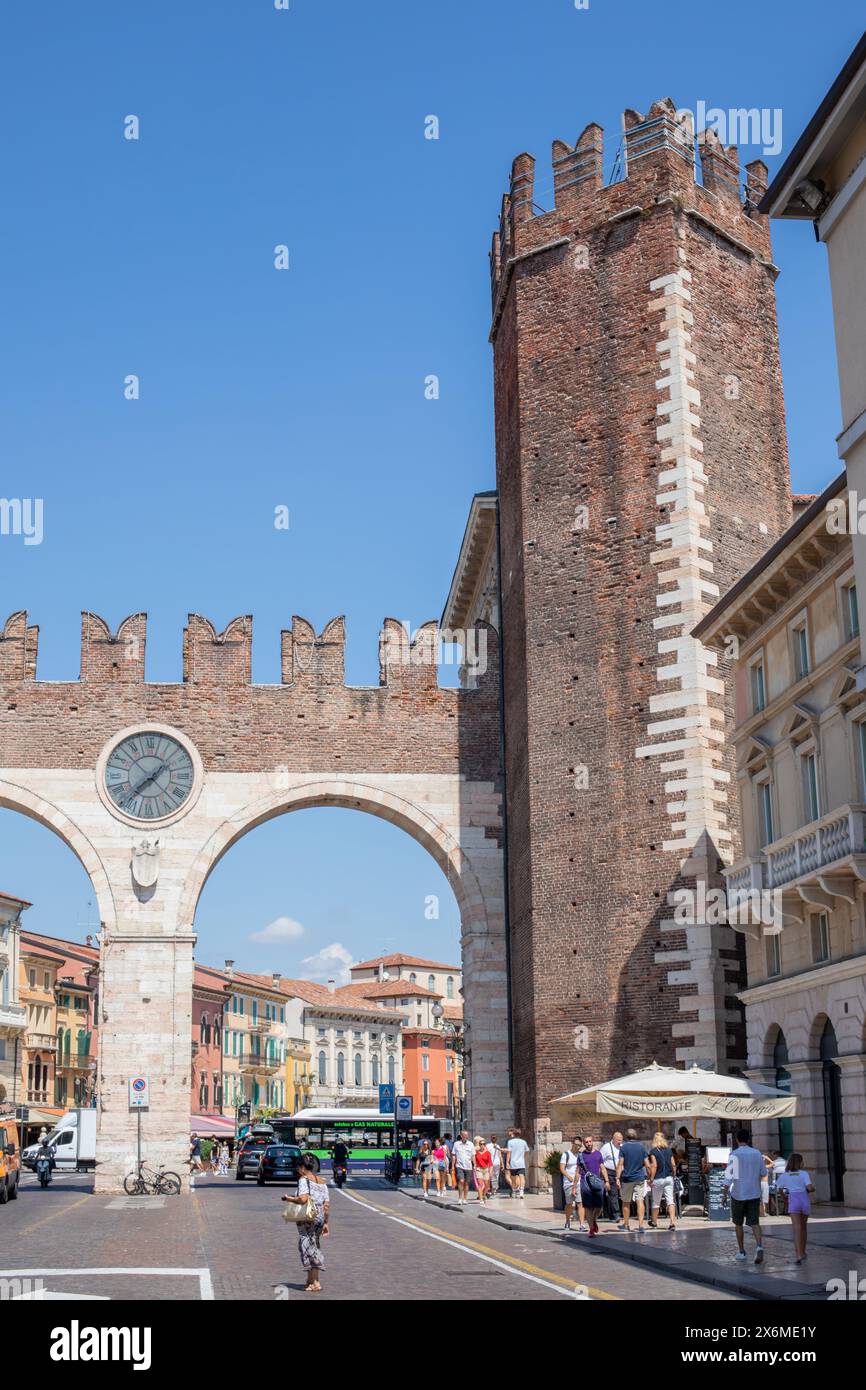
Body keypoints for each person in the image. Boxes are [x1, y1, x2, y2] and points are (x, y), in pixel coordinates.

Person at [282, 1157, 330, 1293]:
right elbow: (326, 1206)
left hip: (308, 1219)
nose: (298, 1171)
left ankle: (315, 1282)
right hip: (319, 1218)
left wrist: (289, 1198)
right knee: (313, 1246)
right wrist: (326, 1223)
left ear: (303, 1167)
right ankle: (310, 1280)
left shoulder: (304, 1180)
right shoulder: (322, 1182)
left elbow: (303, 1199)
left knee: (308, 1248)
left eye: (298, 1168)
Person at [723, 1129, 766, 1265]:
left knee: (738, 1223)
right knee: (755, 1222)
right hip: (754, 1192)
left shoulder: (734, 1155)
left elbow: (728, 1177)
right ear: (748, 1139)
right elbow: (763, 1172)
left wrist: (724, 1194)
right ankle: (759, 1246)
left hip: (738, 1193)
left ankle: (741, 1251)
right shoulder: (757, 1153)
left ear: (737, 1140)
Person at [775, 1153, 814, 1264]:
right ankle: (803, 1251)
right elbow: (810, 1188)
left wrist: (785, 1199)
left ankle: (798, 1255)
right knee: (804, 1228)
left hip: (793, 1200)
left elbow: (779, 1189)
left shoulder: (786, 1175)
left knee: (796, 1229)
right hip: (804, 1199)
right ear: (800, 1162)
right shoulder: (804, 1174)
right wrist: (813, 1189)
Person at [616, 1128, 649, 1234]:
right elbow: (647, 1164)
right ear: (636, 1136)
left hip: (627, 1178)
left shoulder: (623, 1148)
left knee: (626, 1202)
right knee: (640, 1201)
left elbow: (620, 1164)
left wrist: (617, 1178)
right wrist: (650, 1177)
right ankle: (640, 1226)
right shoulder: (641, 1147)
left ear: (626, 1137)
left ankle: (626, 1224)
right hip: (639, 1177)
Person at [577, 1135, 609, 1237]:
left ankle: (594, 1220)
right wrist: (574, 1186)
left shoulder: (598, 1154)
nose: (589, 1143)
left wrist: (607, 1181)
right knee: (588, 1207)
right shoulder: (581, 1156)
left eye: (590, 1141)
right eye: (586, 1142)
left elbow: (603, 1168)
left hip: (597, 1182)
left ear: (592, 1142)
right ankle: (591, 1228)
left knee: (599, 1207)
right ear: (583, 1143)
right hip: (585, 1183)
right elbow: (577, 1172)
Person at [646, 1132, 677, 1230]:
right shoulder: (669, 1151)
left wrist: (651, 1179)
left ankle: (654, 1222)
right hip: (669, 1178)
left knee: (656, 1201)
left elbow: (654, 1165)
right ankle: (672, 1223)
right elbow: (673, 1164)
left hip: (658, 1178)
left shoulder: (653, 1151)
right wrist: (674, 1174)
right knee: (670, 1201)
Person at [560, 1137, 582, 1231]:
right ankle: (568, 1221)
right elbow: (562, 1168)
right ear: (572, 1144)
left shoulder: (581, 1155)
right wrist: (568, 1176)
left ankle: (581, 1224)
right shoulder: (566, 1155)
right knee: (569, 1204)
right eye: (576, 1145)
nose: (578, 1147)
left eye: (580, 1145)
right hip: (568, 1183)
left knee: (580, 1203)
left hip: (579, 1182)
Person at [600, 1132, 622, 1222]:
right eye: (618, 1140)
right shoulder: (606, 1147)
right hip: (610, 1172)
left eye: (621, 1140)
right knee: (613, 1194)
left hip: (621, 1173)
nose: (620, 1142)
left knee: (622, 1194)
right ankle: (616, 1214)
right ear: (613, 1139)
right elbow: (601, 1161)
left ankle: (615, 1213)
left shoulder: (622, 1147)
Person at [452, 1131, 475, 1206]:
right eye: (464, 1135)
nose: (466, 1136)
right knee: (461, 1181)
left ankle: (465, 1199)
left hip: (468, 1166)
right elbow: (454, 1155)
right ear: (461, 1136)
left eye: (467, 1135)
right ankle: (460, 1198)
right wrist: (452, 1165)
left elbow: (473, 1156)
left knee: (467, 1183)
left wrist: (475, 1165)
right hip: (459, 1166)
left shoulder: (471, 1144)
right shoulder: (456, 1144)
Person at [505, 1127, 530, 1199]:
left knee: (513, 1178)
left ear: (514, 1134)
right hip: (521, 1163)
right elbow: (527, 1151)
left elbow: (509, 1153)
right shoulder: (523, 1142)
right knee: (522, 1177)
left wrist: (507, 1162)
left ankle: (514, 1190)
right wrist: (523, 1157)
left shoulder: (510, 1142)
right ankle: (521, 1191)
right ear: (520, 1134)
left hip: (513, 1163)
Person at [473, 1136, 492, 1202]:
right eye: (481, 1144)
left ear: (485, 1145)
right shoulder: (476, 1153)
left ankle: (483, 1195)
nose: (482, 1145)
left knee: (486, 1185)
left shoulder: (488, 1153)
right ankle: (481, 1198)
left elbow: (490, 1163)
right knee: (480, 1184)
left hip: (486, 1170)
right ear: (479, 1145)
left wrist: (491, 1172)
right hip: (479, 1169)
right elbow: (473, 1160)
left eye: (483, 1144)